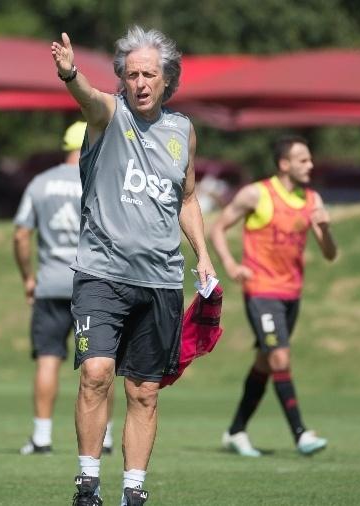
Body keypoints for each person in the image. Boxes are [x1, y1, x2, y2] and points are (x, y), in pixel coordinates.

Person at [51, 26, 216, 506]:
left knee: (144, 392)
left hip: (162, 281)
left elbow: (186, 198)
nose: (140, 82)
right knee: (97, 371)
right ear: (121, 78)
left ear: (168, 80)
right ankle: (87, 486)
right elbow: (88, 99)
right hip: (102, 274)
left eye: (150, 74)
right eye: (132, 74)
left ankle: (134, 491)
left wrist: (202, 253)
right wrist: (71, 74)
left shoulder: (182, 130)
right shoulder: (108, 114)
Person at [210, 135, 337, 457]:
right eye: (303, 160)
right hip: (261, 291)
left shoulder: (312, 200)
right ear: (284, 164)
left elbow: (330, 254)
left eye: (310, 160)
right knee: (280, 357)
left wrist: (326, 229)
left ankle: (236, 431)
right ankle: (301, 433)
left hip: (291, 294)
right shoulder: (256, 194)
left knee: (266, 362)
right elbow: (217, 228)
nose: (310, 165)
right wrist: (230, 264)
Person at [13, 121, 115, 457]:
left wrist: (28, 276)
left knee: (47, 359)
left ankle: (41, 436)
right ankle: (108, 435)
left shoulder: (40, 182)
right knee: (101, 361)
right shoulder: (101, 178)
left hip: (51, 283)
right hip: (93, 282)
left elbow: (21, 234)